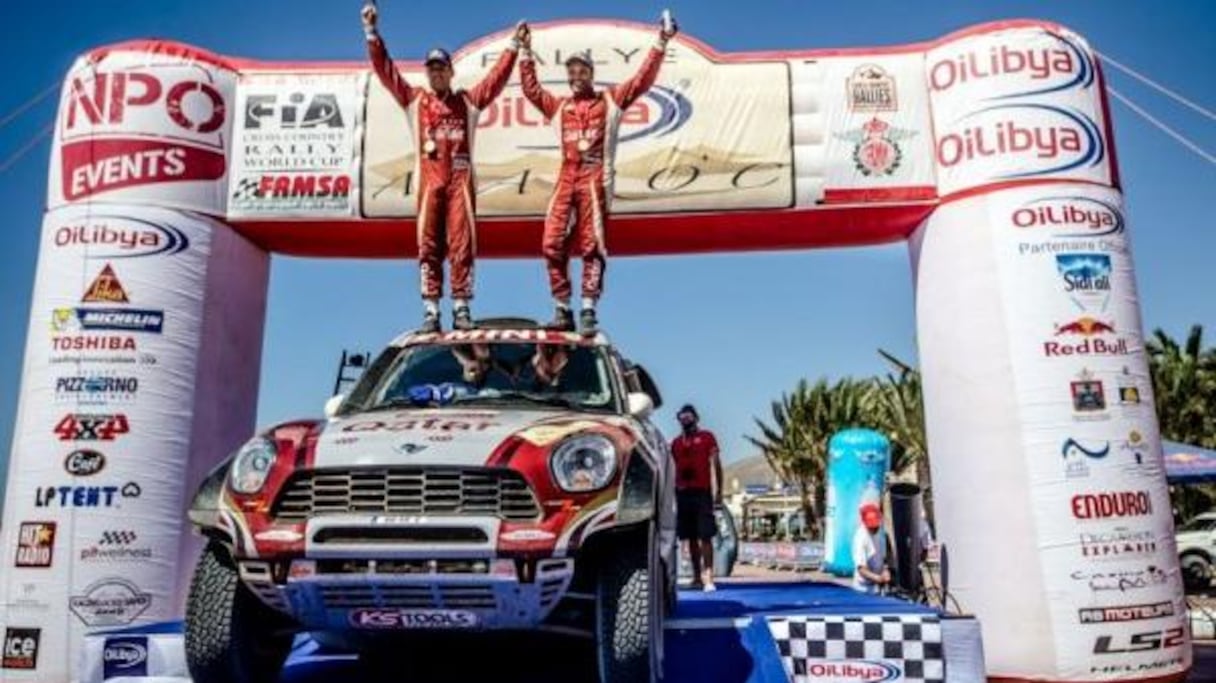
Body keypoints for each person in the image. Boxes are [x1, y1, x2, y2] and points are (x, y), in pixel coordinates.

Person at [363, 4, 524, 333]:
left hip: (460, 184)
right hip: (430, 185)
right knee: (428, 246)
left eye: (441, 68)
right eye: (431, 69)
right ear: (427, 73)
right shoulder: (415, 101)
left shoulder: (466, 102)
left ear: (451, 72)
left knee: (462, 245)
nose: (436, 74)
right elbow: (386, 72)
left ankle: (462, 307)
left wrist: (513, 47)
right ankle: (431, 311)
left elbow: (495, 81)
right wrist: (371, 34)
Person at [516, 15, 678, 335]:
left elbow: (642, 80)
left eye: (582, 71)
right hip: (567, 176)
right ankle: (563, 308)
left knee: (592, 246)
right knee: (551, 243)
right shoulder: (560, 107)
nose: (576, 76)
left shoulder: (610, 101)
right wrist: (524, 51)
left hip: (595, 177)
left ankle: (588, 308)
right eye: (572, 72)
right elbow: (532, 91)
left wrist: (661, 42)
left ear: (591, 74)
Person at [671, 404, 722, 591]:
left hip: (702, 492)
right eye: (682, 417)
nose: (685, 420)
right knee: (690, 537)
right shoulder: (675, 443)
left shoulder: (707, 437)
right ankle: (696, 576)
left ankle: (708, 575)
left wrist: (719, 491)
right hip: (682, 493)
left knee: (705, 535)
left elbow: (716, 464)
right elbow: (671, 469)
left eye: (689, 417)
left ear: (696, 418)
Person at [852, 502, 891, 594]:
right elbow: (861, 569)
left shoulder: (881, 533)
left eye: (876, 526)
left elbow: (885, 556)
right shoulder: (860, 538)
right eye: (872, 527)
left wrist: (886, 569)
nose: (875, 528)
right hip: (863, 589)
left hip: (879, 587)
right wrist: (878, 578)